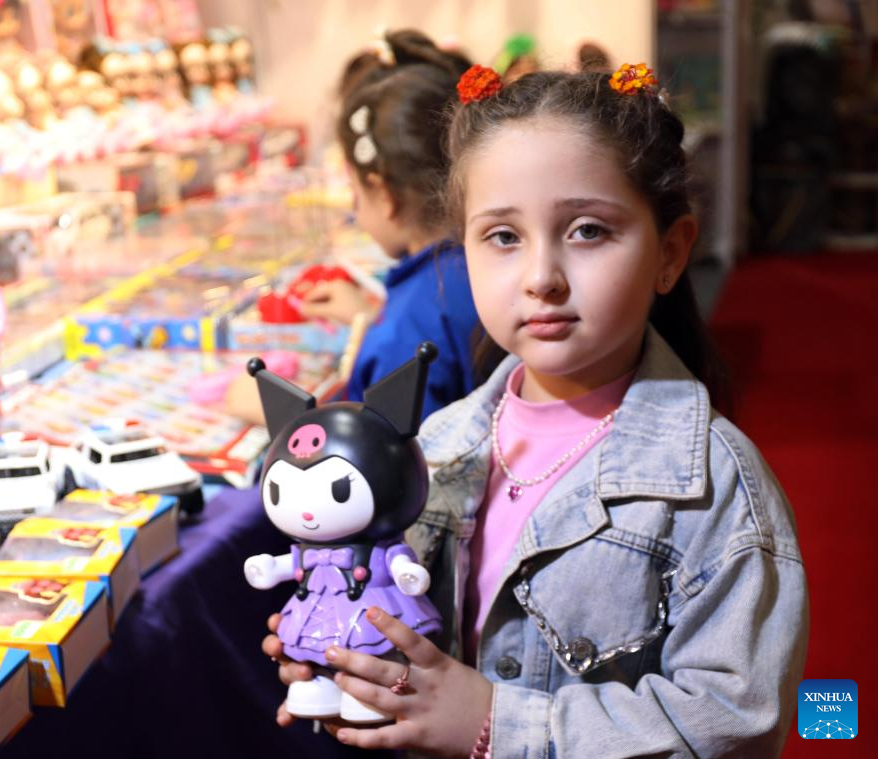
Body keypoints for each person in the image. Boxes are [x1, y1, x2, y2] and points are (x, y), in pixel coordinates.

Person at [264, 63, 809, 757]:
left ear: (670, 254)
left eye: (587, 230)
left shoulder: (718, 490)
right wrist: (352, 661)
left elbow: (736, 720)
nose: (541, 276)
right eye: (502, 237)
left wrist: (497, 722)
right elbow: (413, 640)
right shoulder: (438, 444)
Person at [301, 30, 480, 421]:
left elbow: (376, 463)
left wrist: (283, 416)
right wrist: (369, 321)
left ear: (384, 194)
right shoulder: (478, 260)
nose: (354, 208)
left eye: (356, 192)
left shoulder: (405, 331)